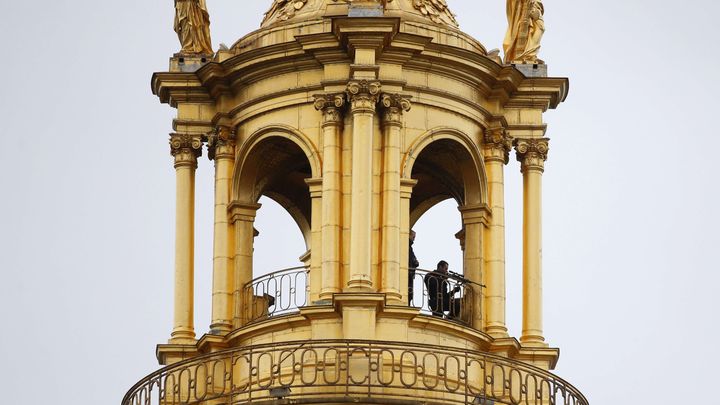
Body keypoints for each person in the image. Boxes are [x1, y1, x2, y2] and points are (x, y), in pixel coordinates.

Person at [408, 230, 420, 304]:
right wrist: (415, 262)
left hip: (410, 274)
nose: (414, 239)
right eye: (413, 236)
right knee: (409, 292)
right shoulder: (407, 246)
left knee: (409, 292)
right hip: (408, 274)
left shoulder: (409, 247)